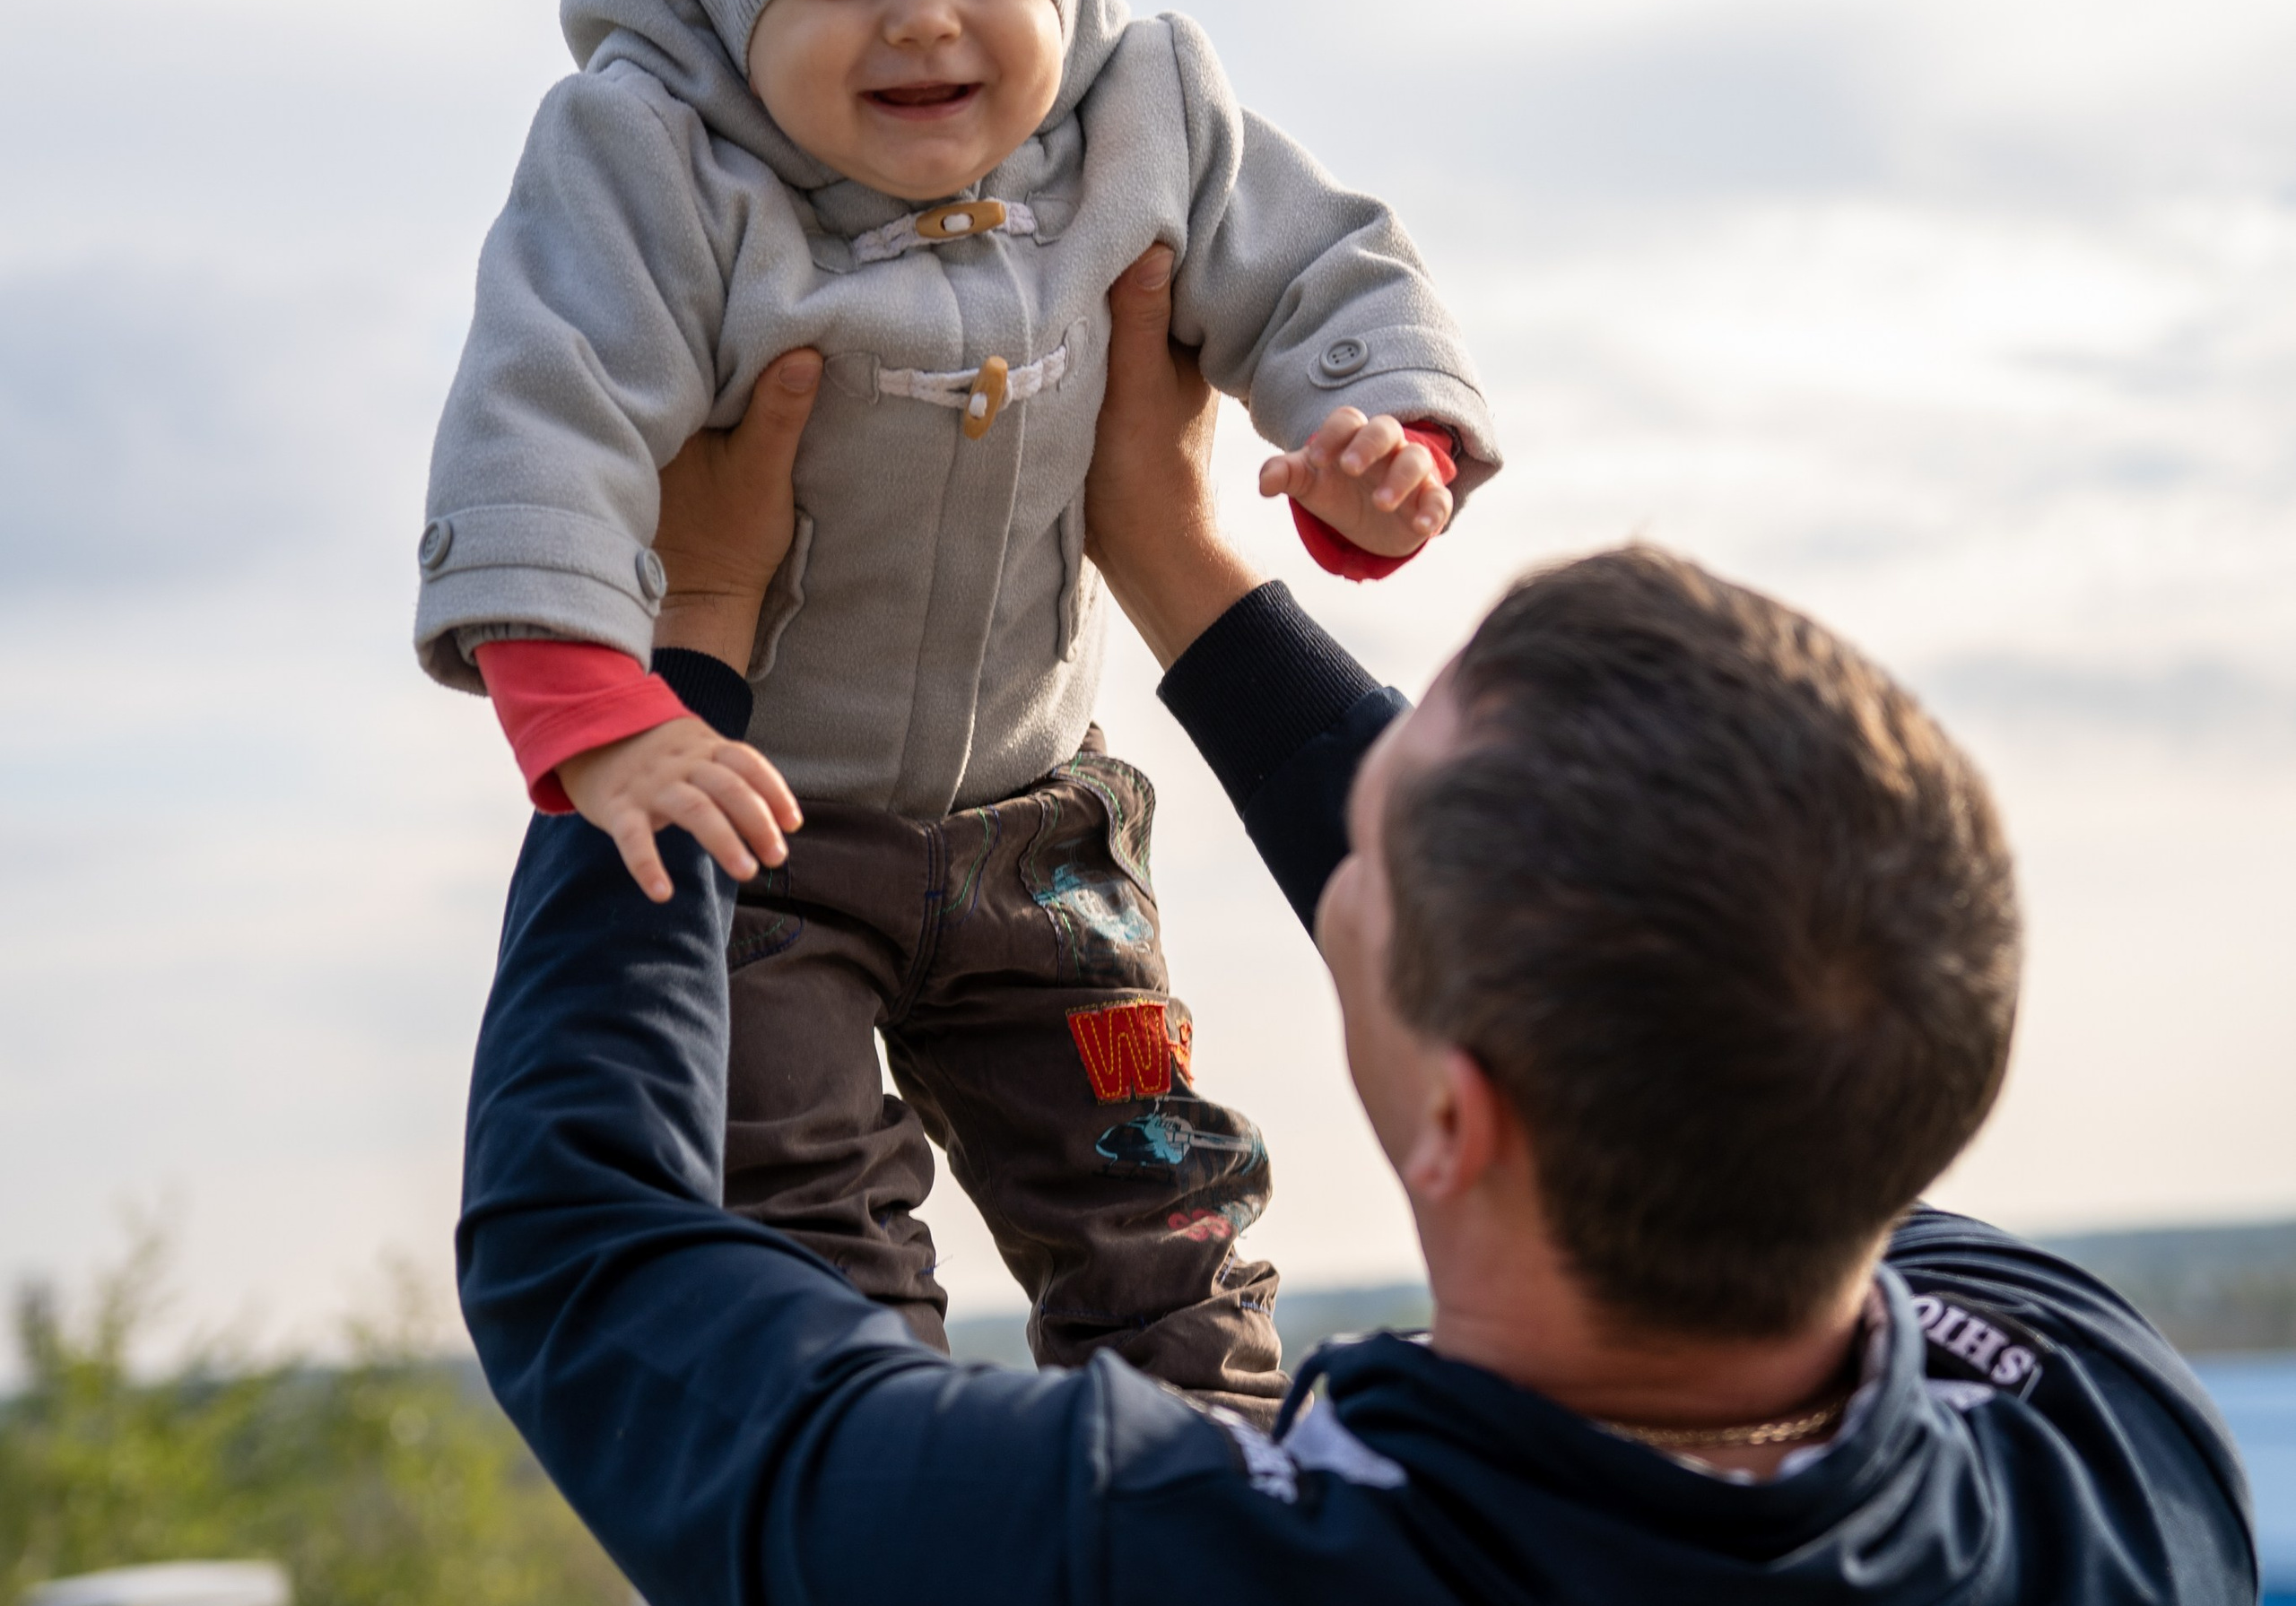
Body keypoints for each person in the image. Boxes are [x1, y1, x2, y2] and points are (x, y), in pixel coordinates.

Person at [456, 247, 2257, 1604]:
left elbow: (584, 1260)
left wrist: (683, 644)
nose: (1339, 857)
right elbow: (1705, 1020)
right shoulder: (2106, 1447)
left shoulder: (1127, 1548)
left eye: (1365, 861)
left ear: (1461, 1119)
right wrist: (1172, 553)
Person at [415, 0, 1499, 1405]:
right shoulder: (658, 170)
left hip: (1036, 826)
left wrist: (1381, 437)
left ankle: (1205, 1464)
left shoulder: (1150, 122)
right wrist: (595, 721)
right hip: (766, 812)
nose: (923, 19)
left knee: (1153, 1182)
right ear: (728, 2)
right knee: (791, 1205)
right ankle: (886, 1488)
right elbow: (546, 414)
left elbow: (1321, 270)